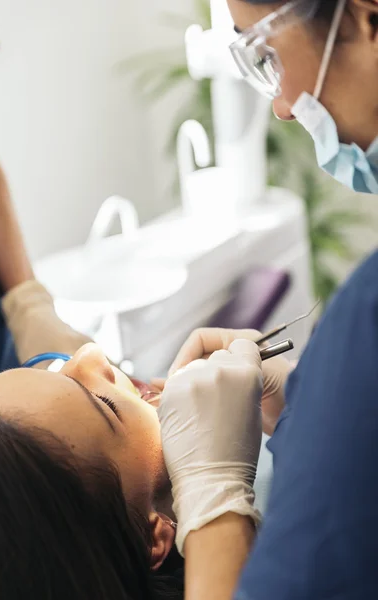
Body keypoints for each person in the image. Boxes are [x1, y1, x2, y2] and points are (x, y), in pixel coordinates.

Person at [158, 1, 378, 599]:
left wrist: (212, 499)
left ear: (363, 16)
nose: (281, 107)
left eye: (269, 55)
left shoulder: (364, 327)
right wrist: (306, 405)